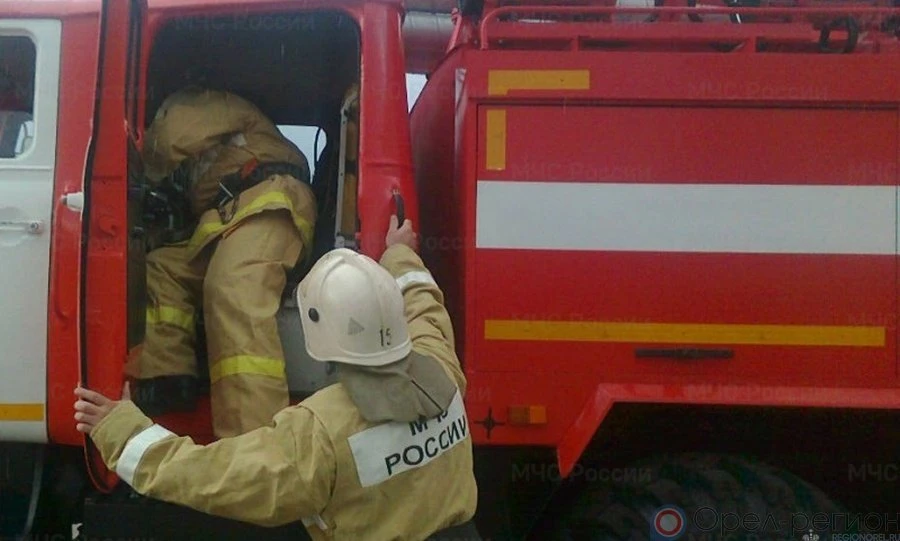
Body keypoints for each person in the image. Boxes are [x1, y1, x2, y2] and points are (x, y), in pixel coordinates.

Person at [74, 216, 480, 541]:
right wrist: (399, 254)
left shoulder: (320, 431)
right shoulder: (440, 363)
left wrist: (120, 431)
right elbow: (423, 303)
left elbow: (213, 477)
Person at [128, 86, 317, 438]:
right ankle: (168, 378)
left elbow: (170, 139)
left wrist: (130, 151)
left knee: (234, 287)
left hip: (270, 199)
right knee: (163, 267)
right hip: (226, 217)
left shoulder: (201, 103)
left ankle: (255, 441)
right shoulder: (213, 143)